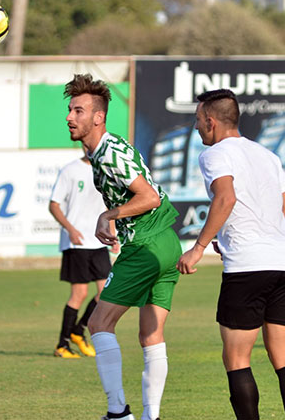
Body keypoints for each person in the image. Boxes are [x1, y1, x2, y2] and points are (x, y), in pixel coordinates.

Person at [176, 89, 285, 420]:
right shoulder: (267, 155)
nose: (195, 128)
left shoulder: (215, 154)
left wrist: (199, 247)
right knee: (283, 355)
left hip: (248, 268)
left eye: (196, 121)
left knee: (236, 360)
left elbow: (225, 199)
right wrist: (236, 235)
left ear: (210, 121)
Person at [64, 73, 182, 420]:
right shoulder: (107, 150)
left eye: (79, 111)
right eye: (70, 110)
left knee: (99, 324)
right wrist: (116, 216)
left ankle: (118, 413)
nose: (70, 117)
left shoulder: (109, 153)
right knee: (151, 334)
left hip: (145, 245)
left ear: (98, 117)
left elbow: (148, 197)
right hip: (166, 243)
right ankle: (152, 416)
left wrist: (109, 215)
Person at [49, 145, 120, 359]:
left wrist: (113, 233)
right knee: (78, 295)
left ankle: (78, 331)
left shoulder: (106, 171)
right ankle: (62, 344)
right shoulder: (70, 170)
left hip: (98, 241)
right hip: (77, 243)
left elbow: (111, 205)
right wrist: (70, 229)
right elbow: (54, 205)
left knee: (105, 293)